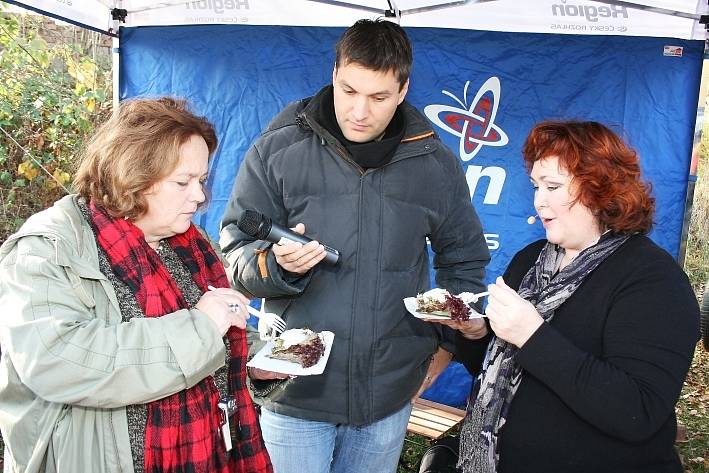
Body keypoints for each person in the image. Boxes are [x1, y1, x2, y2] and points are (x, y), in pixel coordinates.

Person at [219, 18, 490, 473]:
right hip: (296, 391)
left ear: (403, 90)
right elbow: (233, 255)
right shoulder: (278, 149)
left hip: (387, 396)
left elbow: (463, 260)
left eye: (378, 97)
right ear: (333, 74)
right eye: (349, 91)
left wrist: (444, 344)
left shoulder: (434, 162)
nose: (359, 111)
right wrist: (277, 265)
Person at [0, 97, 273, 473]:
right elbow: (56, 359)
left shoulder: (187, 242)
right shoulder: (47, 249)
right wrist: (200, 327)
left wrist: (256, 365)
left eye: (202, 180)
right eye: (183, 182)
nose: (199, 195)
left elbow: (216, 334)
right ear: (135, 176)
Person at [456, 120, 700, 473]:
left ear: (600, 189)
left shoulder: (653, 280)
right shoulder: (532, 259)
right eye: (536, 186)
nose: (539, 201)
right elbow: (496, 363)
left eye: (553, 186)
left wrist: (533, 336)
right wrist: (476, 333)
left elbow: (638, 411)